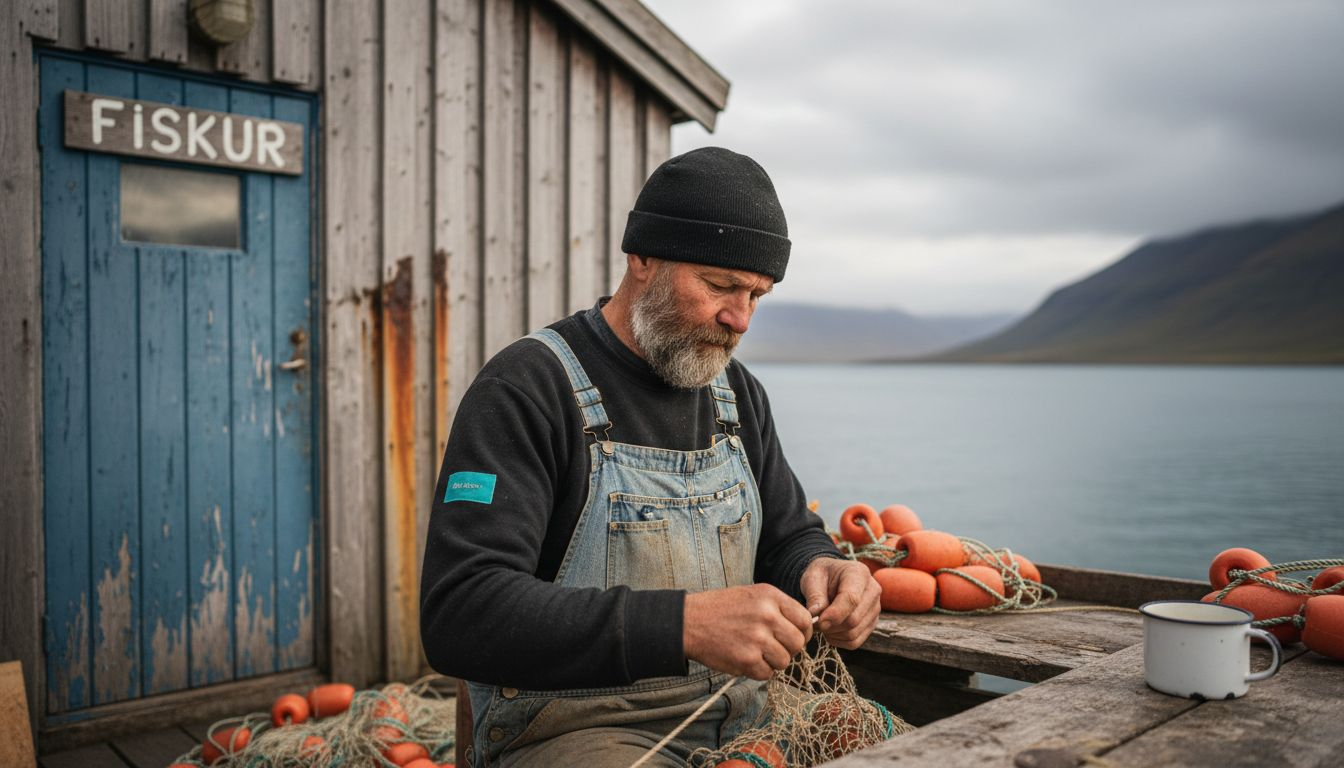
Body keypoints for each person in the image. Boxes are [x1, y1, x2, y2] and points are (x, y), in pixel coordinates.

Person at [420, 146, 882, 767]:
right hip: (572, 734)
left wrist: (821, 567)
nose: (739, 319)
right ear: (642, 256)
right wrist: (683, 625)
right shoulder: (527, 390)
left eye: (757, 295)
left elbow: (787, 534)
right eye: (720, 285)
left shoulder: (736, 395)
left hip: (746, 719)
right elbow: (461, 613)